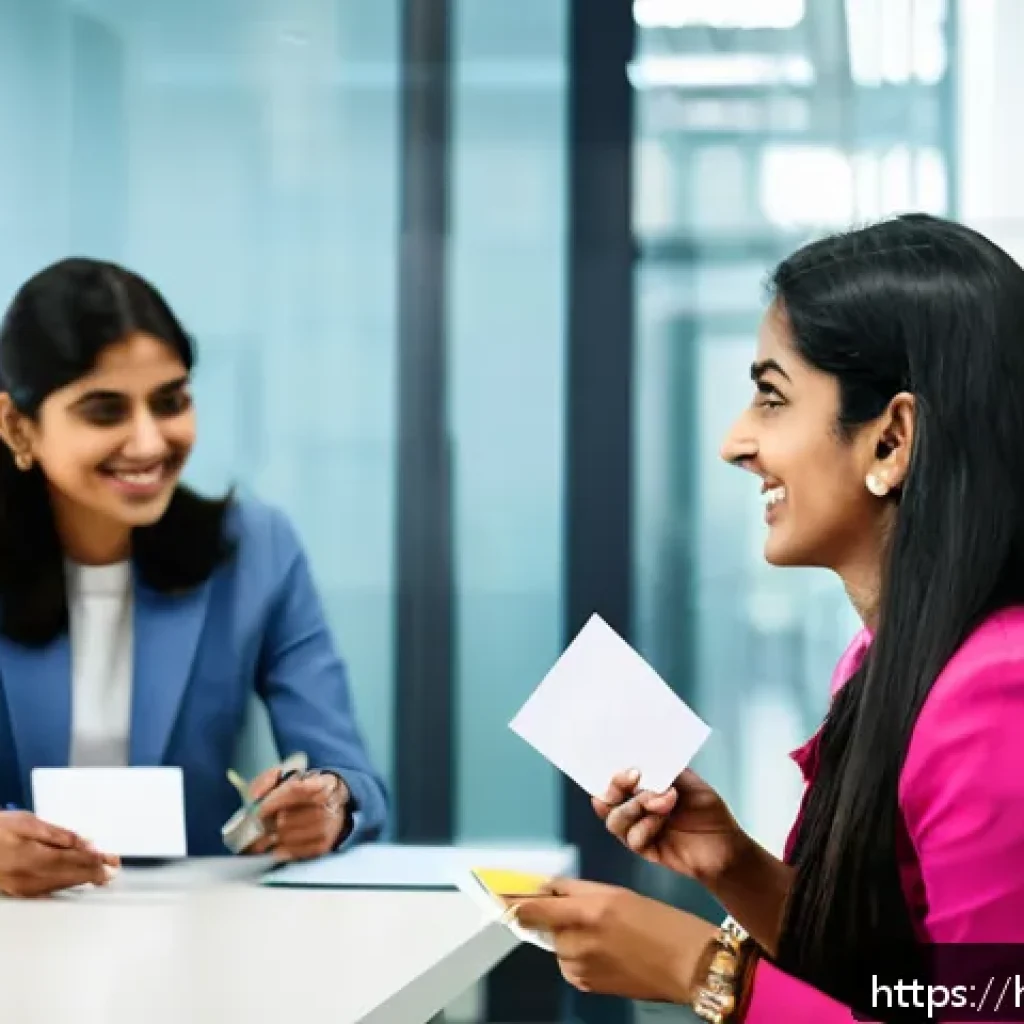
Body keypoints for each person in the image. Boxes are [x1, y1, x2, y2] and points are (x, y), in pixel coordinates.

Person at [513, 214, 1024, 1021]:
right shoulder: (879, 661)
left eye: (772, 397)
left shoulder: (994, 699)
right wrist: (736, 867)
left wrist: (705, 972)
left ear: (891, 441)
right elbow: (903, 985)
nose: (736, 443)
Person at [0, 258, 387, 898]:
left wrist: (331, 804)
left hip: (197, 932)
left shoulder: (256, 551)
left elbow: (351, 774)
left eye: (170, 401)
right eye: (105, 411)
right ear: (18, 426)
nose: (150, 442)